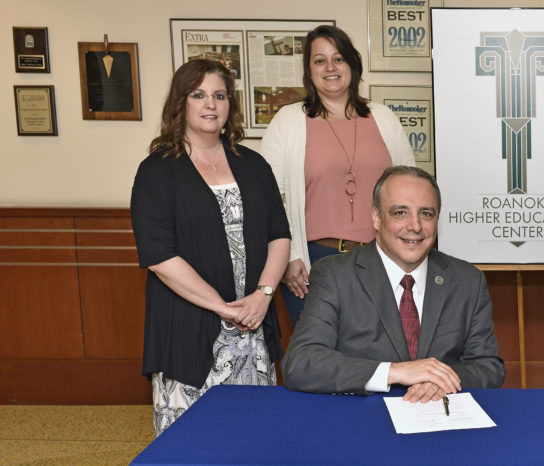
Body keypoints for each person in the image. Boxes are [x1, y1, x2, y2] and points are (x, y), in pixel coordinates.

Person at [131, 58, 291, 436]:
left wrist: (263, 296)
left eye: (219, 96)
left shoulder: (253, 165)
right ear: (180, 104)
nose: (210, 105)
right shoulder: (157, 171)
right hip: (189, 328)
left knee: (254, 438)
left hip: (253, 325)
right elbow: (159, 257)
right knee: (191, 442)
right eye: (198, 95)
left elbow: (279, 237)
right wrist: (222, 307)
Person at [282, 166, 505, 400]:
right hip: (362, 423)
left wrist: (438, 380)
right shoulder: (335, 275)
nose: (415, 226)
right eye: (400, 213)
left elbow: (489, 368)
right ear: (377, 218)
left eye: (426, 214)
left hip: (439, 424)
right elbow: (301, 363)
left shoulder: (467, 280)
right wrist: (394, 372)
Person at [262, 25, 415, 325]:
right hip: (311, 263)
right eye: (320, 60)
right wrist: (288, 257)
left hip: (382, 259)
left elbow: (411, 189)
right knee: (318, 358)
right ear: (309, 70)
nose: (330, 68)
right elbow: (269, 199)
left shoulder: (383, 118)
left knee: (380, 355)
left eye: (339, 59)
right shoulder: (288, 121)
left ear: (352, 65)